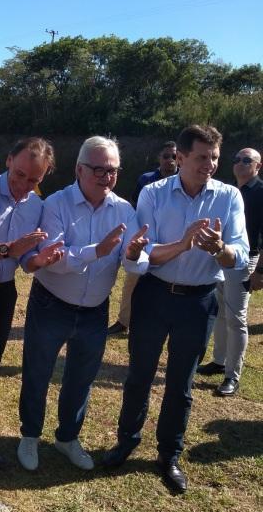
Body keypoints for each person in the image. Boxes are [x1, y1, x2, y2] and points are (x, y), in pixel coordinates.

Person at [102, 125, 249, 493]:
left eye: (214, 157)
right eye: (202, 157)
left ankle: (169, 455)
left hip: (199, 301)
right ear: (180, 158)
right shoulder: (153, 193)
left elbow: (240, 256)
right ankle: (127, 440)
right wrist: (183, 244)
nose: (210, 165)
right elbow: (144, 256)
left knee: (181, 384)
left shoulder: (229, 197)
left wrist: (218, 249)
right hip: (154, 294)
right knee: (139, 374)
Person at [16, 136, 149, 472]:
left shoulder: (124, 209)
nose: (106, 177)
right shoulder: (57, 205)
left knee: (81, 378)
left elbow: (134, 262)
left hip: (94, 310)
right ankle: (30, 435)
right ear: (79, 169)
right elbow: (54, 259)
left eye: (113, 171)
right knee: (37, 373)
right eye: (99, 169)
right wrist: (97, 251)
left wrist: (134, 255)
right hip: (52, 303)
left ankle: (67, 437)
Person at [0, 137, 63, 470]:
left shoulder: (36, 205)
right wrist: (7, 250)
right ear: (8, 161)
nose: (24, 185)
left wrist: (39, 260)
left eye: (34, 179)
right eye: (20, 175)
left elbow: (26, 261)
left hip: (3, 291)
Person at [197, 148, 263, 395]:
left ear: (258, 165)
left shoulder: (260, 192)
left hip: (246, 261)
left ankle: (232, 376)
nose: (240, 163)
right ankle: (219, 360)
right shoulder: (227, 192)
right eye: (236, 159)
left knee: (236, 318)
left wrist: (260, 271)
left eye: (247, 160)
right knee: (221, 312)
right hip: (221, 257)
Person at [109, 141, 178, 336]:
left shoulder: (185, 182)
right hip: (143, 241)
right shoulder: (146, 180)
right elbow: (134, 207)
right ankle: (124, 321)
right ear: (159, 158)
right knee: (132, 283)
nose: (170, 160)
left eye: (174, 157)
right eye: (166, 156)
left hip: (169, 244)